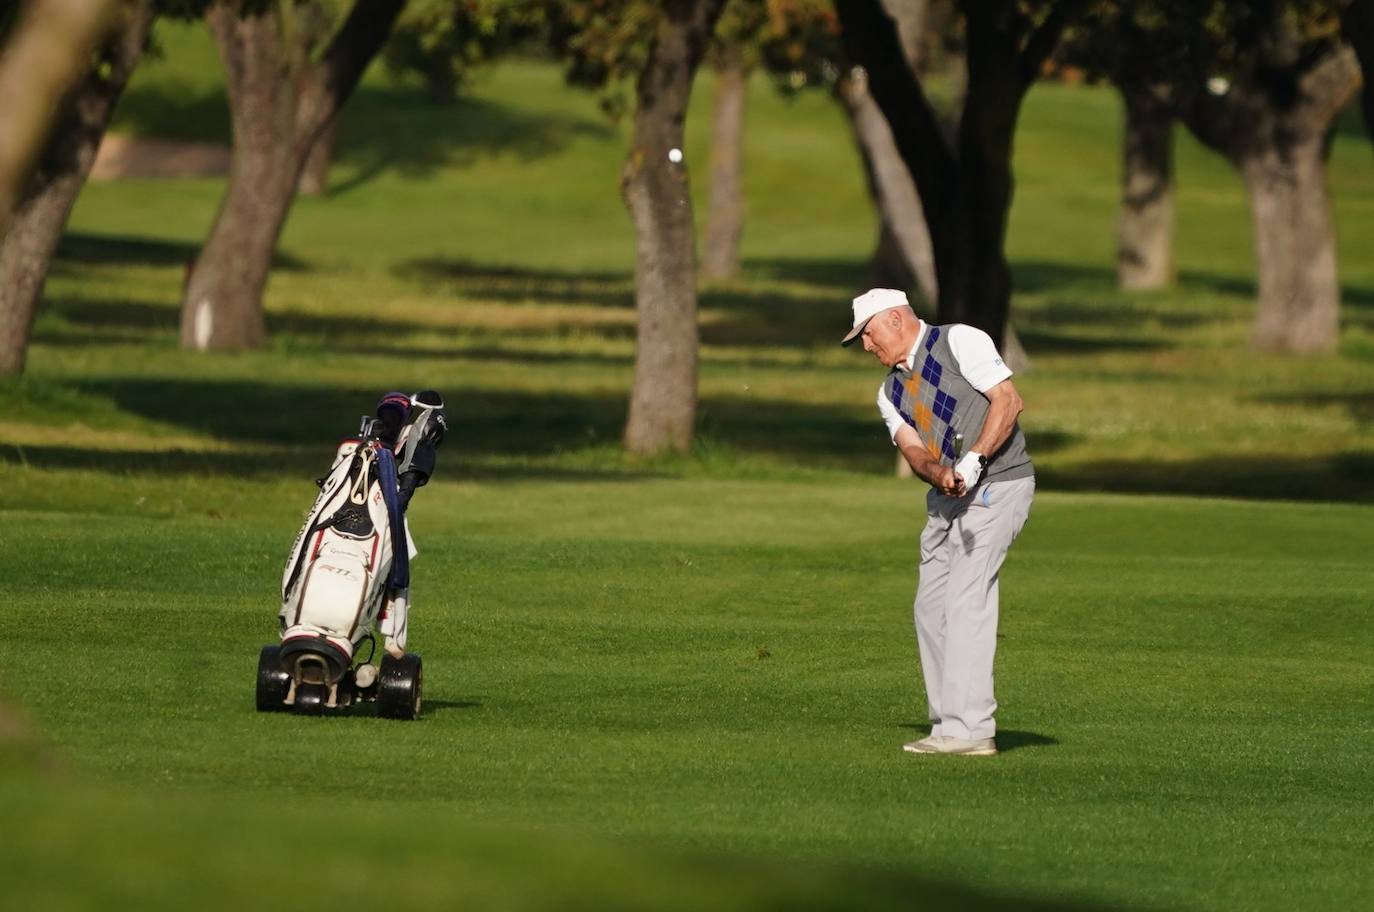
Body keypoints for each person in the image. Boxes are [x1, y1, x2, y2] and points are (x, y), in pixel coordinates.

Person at [842, 288, 1035, 757]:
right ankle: (948, 723)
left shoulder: (958, 341)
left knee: (967, 600)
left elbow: (1007, 401)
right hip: (947, 498)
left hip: (999, 484)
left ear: (894, 320)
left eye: (867, 335)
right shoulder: (890, 391)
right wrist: (942, 473)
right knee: (931, 607)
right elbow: (912, 450)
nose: (867, 347)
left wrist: (972, 461)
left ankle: (972, 730)